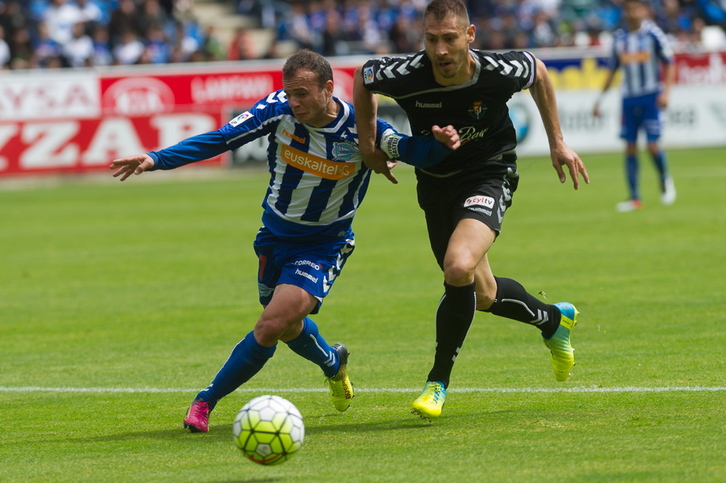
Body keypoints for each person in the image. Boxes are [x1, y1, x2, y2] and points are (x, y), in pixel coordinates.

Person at [110, 49, 460, 433]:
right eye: (289, 93)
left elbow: (411, 149)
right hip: (274, 237)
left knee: (271, 324)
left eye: (302, 94)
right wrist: (156, 159)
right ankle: (332, 361)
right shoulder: (277, 110)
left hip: (325, 244)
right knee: (290, 326)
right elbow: (223, 138)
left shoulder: (361, 129)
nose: (294, 102)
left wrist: (440, 144)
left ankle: (205, 402)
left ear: (328, 88)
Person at [353, 0, 590, 421]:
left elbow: (538, 70)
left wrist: (557, 140)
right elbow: (363, 78)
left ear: (469, 35)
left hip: (489, 173)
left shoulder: (498, 70)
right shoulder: (407, 74)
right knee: (482, 294)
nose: (440, 51)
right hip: (436, 185)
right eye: (431, 40)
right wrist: (369, 146)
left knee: (458, 266)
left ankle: (437, 382)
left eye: (448, 39)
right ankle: (553, 320)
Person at [593, 0, 676, 212]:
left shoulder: (653, 34)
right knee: (630, 146)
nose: (632, 13)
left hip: (650, 96)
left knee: (651, 145)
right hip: (628, 98)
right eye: (628, 9)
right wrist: (599, 100)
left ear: (643, 10)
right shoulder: (619, 38)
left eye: (636, 8)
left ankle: (665, 178)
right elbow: (612, 71)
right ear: (625, 12)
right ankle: (635, 197)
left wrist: (666, 92)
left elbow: (670, 62)